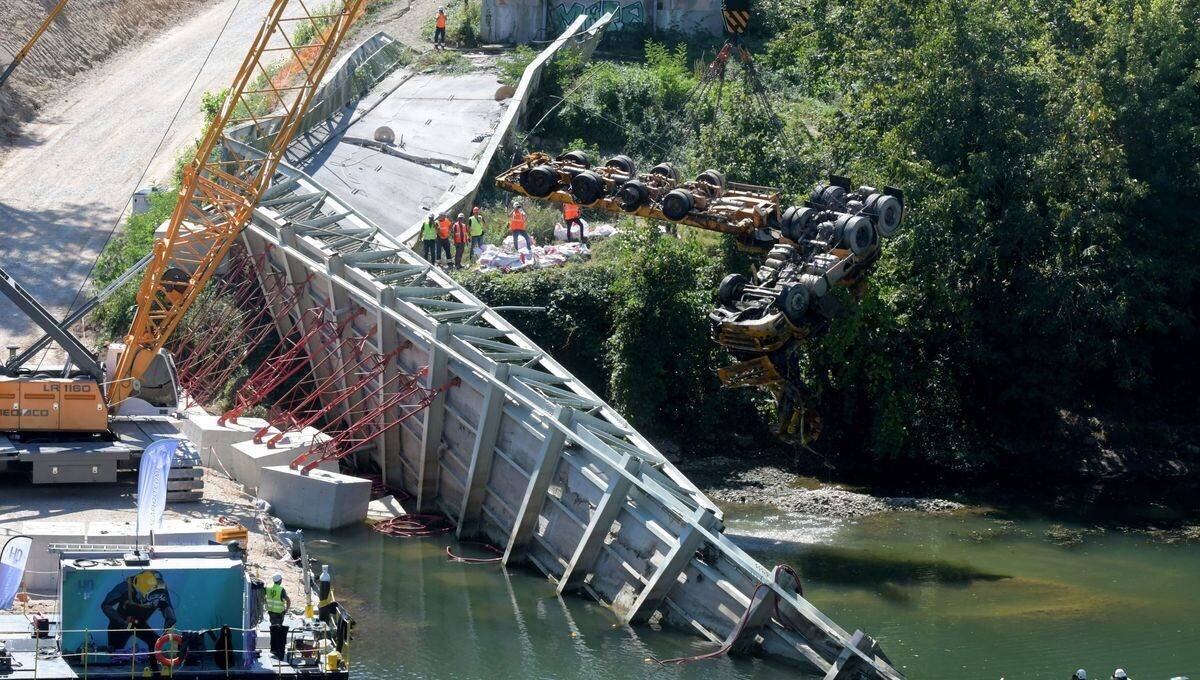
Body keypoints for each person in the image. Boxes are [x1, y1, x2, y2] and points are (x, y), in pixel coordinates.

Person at [101, 570, 176, 655]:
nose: (154, 600)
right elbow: (105, 605)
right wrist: (121, 622)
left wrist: (168, 625)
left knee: (155, 642)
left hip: (139, 622)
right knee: (114, 650)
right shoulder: (125, 587)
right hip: (121, 624)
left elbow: (168, 608)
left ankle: (155, 667)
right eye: (151, 596)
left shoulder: (161, 590)